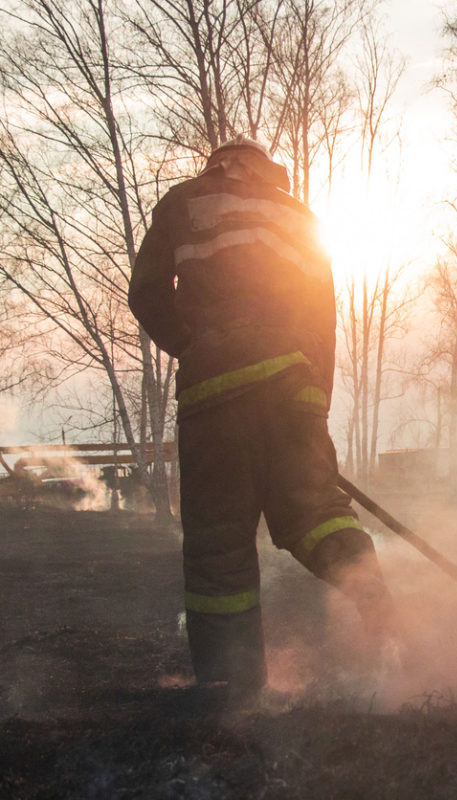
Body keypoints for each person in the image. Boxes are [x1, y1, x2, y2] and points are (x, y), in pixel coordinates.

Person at [128, 135, 397, 702]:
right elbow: (321, 322)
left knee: (220, 543)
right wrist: (313, 404)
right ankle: (373, 596)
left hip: (216, 400)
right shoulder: (301, 218)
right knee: (316, 512)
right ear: (267, 170)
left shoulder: (185, 200)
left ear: (218, 165)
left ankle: (232, 684)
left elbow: (146, 293)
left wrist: (192, 348)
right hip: (295, 391)